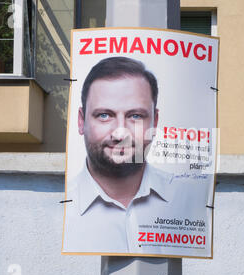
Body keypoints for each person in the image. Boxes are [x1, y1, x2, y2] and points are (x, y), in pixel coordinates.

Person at [62, 57, 209, 255]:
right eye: (104, 115)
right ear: (81, 121)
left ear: (155, 122)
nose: (120, 134)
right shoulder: (62, 208)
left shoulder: (189, 199)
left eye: (135, 116)